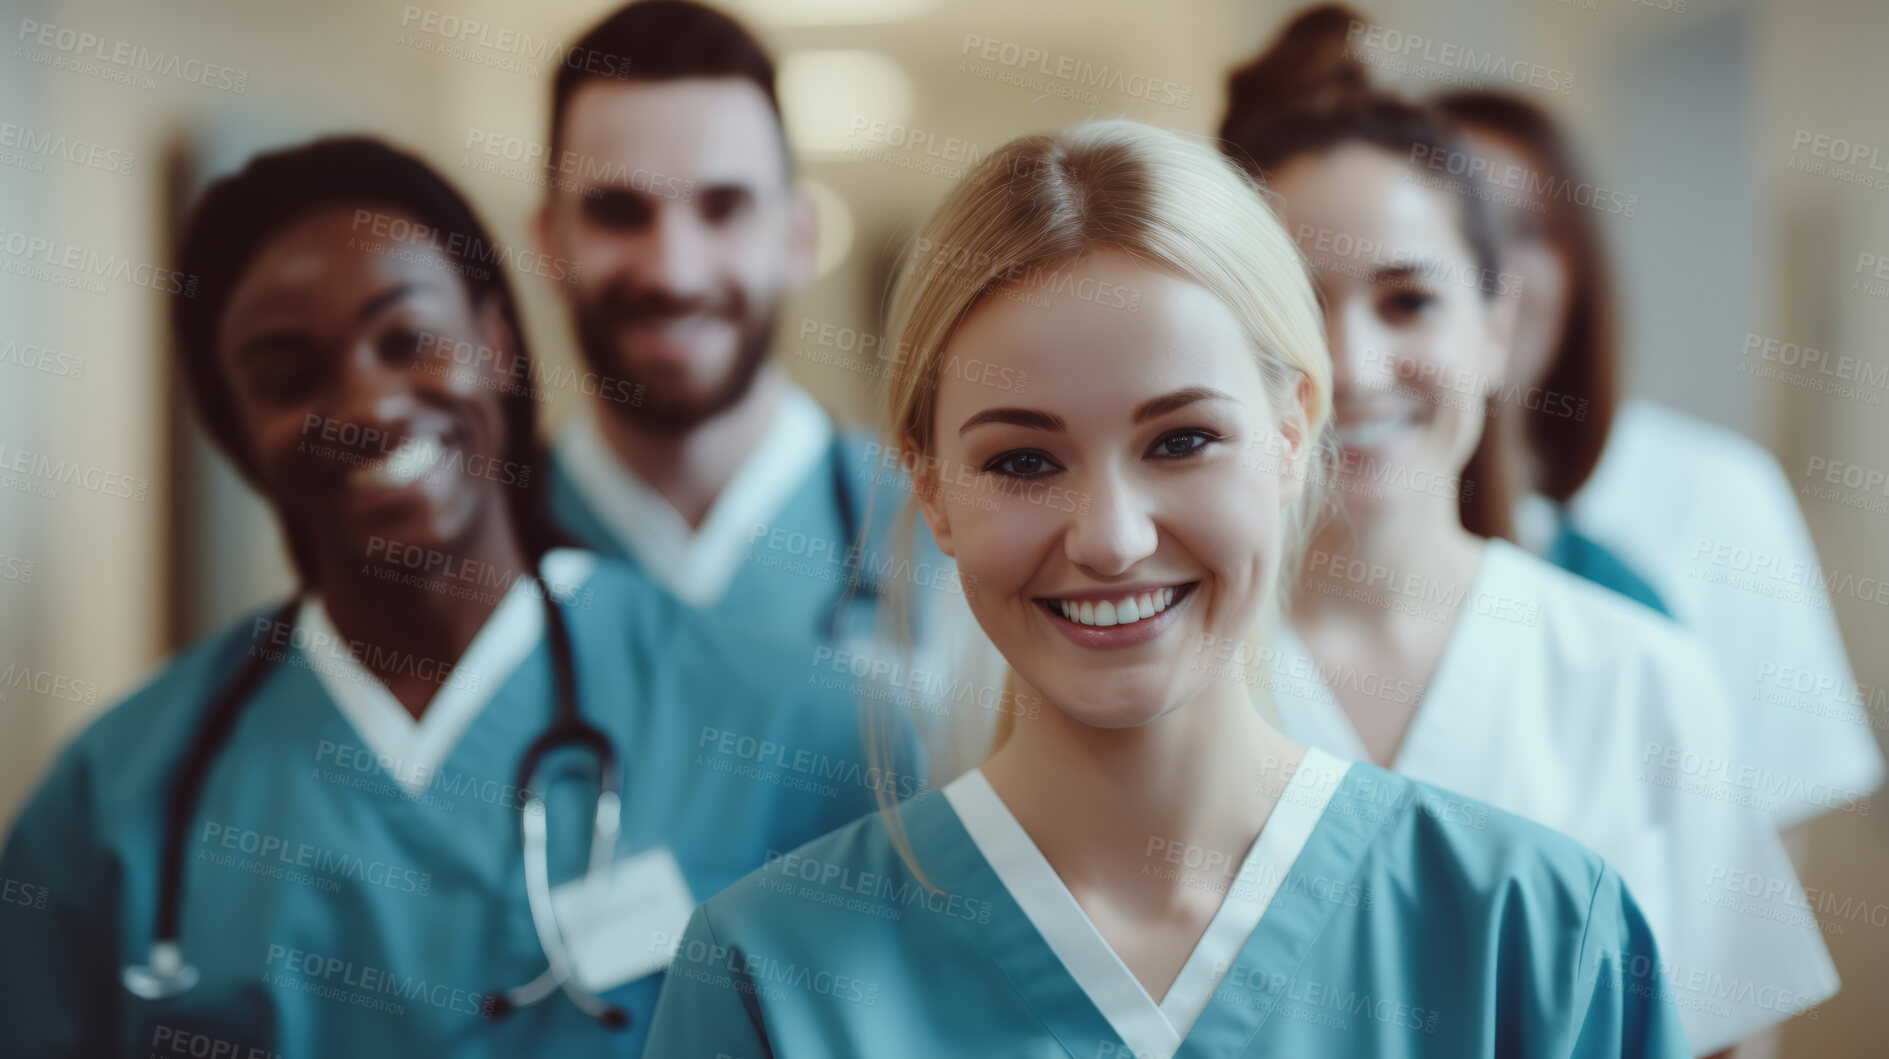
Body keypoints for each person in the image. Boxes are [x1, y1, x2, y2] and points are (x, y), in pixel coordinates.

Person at [642, 118, 1689, 1058]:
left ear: (1290, 437)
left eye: (1180, 440)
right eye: (1020, 461)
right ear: (930, 489)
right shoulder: (764, 984)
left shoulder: (1532, 939)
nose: (1109, 538)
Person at [0, 137, 902, 1057]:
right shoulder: (111, 800)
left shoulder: (806, 735)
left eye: (409, 340)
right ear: (236, 428)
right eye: (289, 378)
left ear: (498, 341)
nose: (370, 404)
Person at [1216, 7, 1837, 1055]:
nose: (1352, 367)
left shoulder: (1636, 676)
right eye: (1293, 307)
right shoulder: (1154, 667)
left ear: (1497, 329)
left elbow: (1729, 1034)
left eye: (1406, 301)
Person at [1431, 87, 1884, 833]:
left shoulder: (1718, 494)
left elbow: (1769, 829)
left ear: (1577, 265)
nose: (1488, 271)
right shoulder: (1328, 502)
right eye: (1454, 228)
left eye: (1522, 229)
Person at [533, 0, 963, 706]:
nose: (673, 272)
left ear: (797, 237)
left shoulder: (941, 535)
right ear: (549, 243)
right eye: (618, 211)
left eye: (723, 207)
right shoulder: (471, 548)